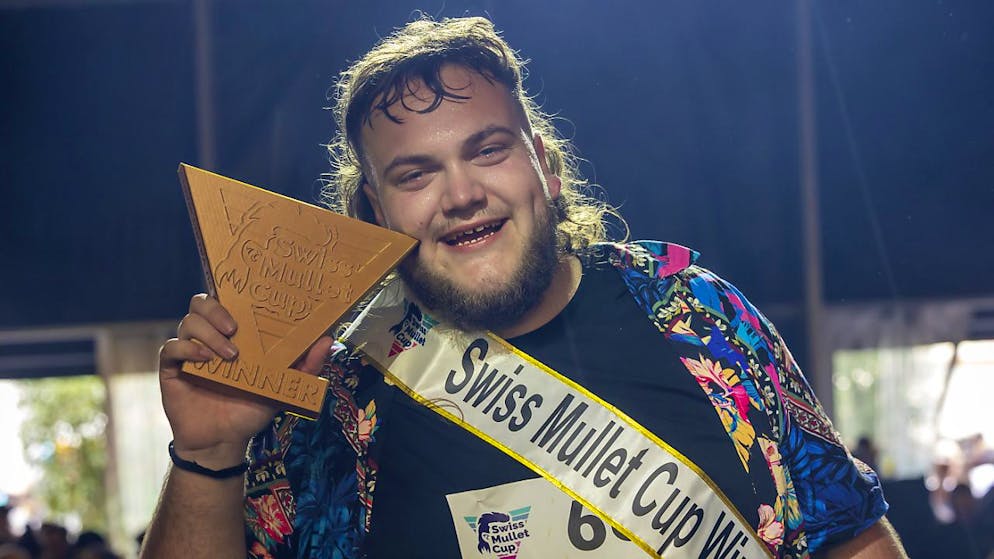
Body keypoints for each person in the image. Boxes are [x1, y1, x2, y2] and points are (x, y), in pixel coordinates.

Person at [140, 16, 907, 559]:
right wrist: (206, 454)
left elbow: (851, 538)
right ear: (370, 213)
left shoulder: (699, 316)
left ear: (548, 166)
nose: (462, 192)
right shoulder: (327, 394)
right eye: (415, 173)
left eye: (489, 150)